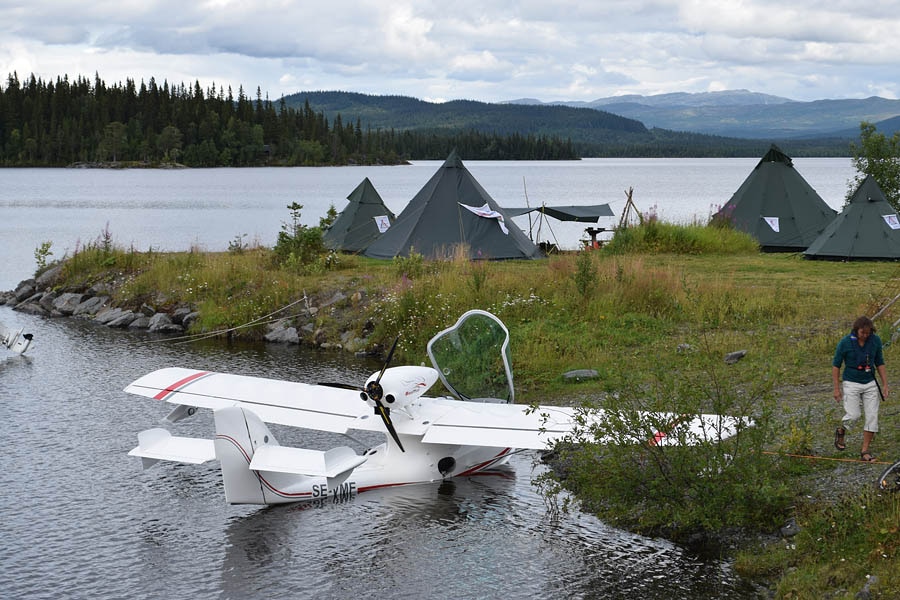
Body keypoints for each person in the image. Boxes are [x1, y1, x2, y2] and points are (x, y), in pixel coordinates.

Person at [832, 316, 889, 462]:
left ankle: (865, 451)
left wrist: (885, 385)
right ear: (856, 330)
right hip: (851, 382)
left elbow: (880, 362)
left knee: (872, 417)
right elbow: (836, 365)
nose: (865, 335)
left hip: (870, 382)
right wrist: (836, 389)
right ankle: (841, 430)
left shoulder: (875, 341)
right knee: (854, 415)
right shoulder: (845, 343)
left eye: (868, 333)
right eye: (863, 332)